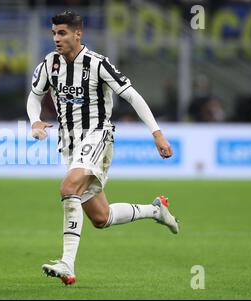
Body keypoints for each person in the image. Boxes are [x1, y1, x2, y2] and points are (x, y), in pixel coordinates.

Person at [26, 11, 179, 285]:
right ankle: (157, 210)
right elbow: (34, 96)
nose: (56, 39)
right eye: (53, 33)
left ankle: (67, 263)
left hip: (98, 136)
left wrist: (157, 134)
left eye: (61, 33)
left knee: (68, 188)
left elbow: (133, 96)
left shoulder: (97, 64)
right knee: (101, 217)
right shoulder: (50, 64)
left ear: (77, 34)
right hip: (69, 144)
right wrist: (35, 120)